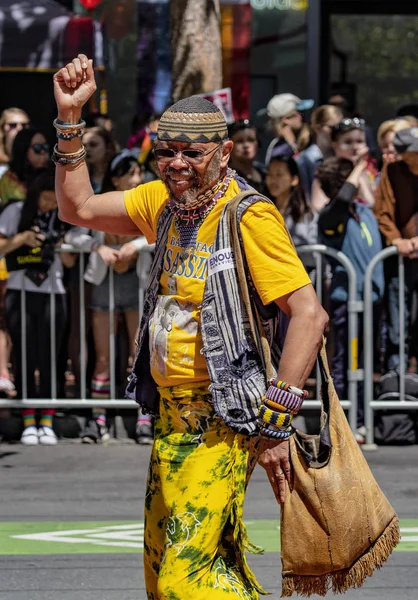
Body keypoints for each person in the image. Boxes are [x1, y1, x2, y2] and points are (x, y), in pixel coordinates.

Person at [53, 54, 327, 598]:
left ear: (224, 154)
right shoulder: (164, 202)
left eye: (192, 154)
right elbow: (78, 206)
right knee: (163, 574)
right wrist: (69, 120)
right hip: (171, 418)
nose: (176, 164)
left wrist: (276, 423)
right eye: (167, 152)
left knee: (185, 579)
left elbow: (309, 315)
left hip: (225, 418)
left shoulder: (248, 214)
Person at [66, 149, 154, 444]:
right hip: (106, 283)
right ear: (116, 178)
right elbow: (73, 234)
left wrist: (137, 245)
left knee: (138, 355)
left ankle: (144, 419)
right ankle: (98, 418)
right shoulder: (102, 203)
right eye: (130, 173)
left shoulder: (149, 201)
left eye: (139, 173)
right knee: (103, 357)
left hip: (136, 283)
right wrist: (97, 247)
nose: (136, 178)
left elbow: (164, 232)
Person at [0, 170, 73, 445]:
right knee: (25, 355)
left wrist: (64, 245)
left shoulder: (62, 216)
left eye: (55, 200)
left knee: (50, 356)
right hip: (20, 289)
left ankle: (48, 419)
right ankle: (29, 417)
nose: (50, 205)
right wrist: (22, 239)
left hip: (53, 289)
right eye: (46, 199)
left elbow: (68, 261)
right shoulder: (16, 211)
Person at [316, 154, 384, 442]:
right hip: (350, 302)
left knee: (367, 364)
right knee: (348, 364)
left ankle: (363, 419)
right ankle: (347, 423)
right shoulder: (332, 216)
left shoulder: (364, 210)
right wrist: (358, 166)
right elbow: (342, 199)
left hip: (373, 302)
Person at [374, 127, 418, 374]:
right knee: (397, 322)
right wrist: (397, 240)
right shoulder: (392, 172)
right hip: (400, 259)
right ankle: (397, 383)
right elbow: (382, 211)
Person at [311, 118, 377, 213]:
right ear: (335, 145)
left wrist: (359, 170)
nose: (355, 147)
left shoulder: (367, 172)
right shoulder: (325, 173)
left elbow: (372, 206)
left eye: (359, 141)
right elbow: (320, 209)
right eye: (348, 142)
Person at [265, 156, 317, 273]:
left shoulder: (307, 214)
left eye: (279, 175)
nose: (273, 180)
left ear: (294, 179)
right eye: (270, 174)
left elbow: (313, 254)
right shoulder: (262, 210)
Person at [295, 104, 343, 201]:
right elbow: (305, 197)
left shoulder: (341, 155)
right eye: (333, 128)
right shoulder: (304, 159)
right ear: (318, 128)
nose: (337, 133)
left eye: (340, 128)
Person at [0, 127, 50, 206]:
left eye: (45, 147)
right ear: (23, 149)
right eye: (37, 148)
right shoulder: (9, 179)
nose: (43, 152)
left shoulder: (51, 175)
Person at [264, 93, 314, 164]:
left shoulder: (289, 146)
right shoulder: (281, 151)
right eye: (299, 113)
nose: (301, 117)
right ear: (286, 119)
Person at [228, 120, 267, 194]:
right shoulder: (226, 178)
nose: (246, 145)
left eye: (251, 140)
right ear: (229, 146)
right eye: (239, 141)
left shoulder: (265, 173)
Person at [82, 126, 117, 194]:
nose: (87, 149)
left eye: (93, 145)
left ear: (107, 147)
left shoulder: (119, 171)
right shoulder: (81, 176)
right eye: (84, 146)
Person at [0, 108, 30, 178]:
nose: (19, 128)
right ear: (3, 128)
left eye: (24, 125)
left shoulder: (34, 153)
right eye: (13, 125)